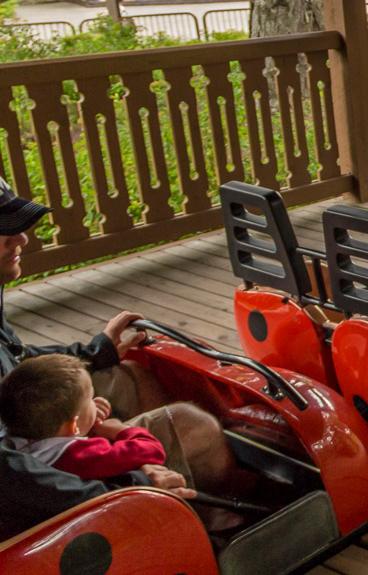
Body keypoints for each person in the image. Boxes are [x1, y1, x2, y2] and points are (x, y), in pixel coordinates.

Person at [0, 176, 237, 529]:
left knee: (128, 376)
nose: (22, 238)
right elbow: (7, 478)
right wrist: (125, 487)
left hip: (19, 429)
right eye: (4, 230)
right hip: (22, 488)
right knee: (195, 425)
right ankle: (196, 526)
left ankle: (180, 493)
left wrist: (96, 353)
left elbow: (14, 357)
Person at [0, 354, 166, 480]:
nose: (95, 402)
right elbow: (153, 451)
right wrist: (121, 430)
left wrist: (85, 416)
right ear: (73, 426)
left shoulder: (15, 447)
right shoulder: (83, 455)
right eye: (90, 398)